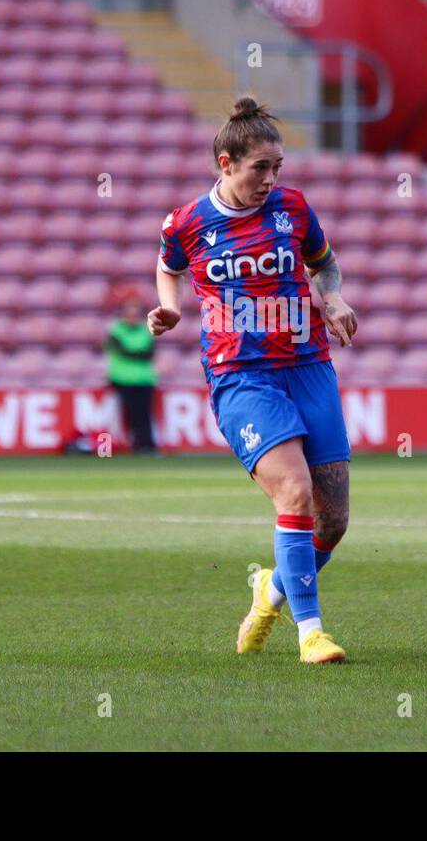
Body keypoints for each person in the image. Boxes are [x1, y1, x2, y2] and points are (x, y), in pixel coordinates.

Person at [147, 97, 359, 664]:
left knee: (332, 520)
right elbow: (169, 267)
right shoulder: (188, 222)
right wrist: (167, 308)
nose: (270, 179)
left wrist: (331, 296)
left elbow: (324, 261)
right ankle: (310, 633)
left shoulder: (292, 207)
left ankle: (270, 591)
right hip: (241, 375)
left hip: (309, 365)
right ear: (226, 164)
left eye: (277, 168)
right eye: (259, 168)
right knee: (293, 491)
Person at [105, 287, 158, 454]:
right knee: (132, 415)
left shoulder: (143, 331)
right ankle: (136, 445)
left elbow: (147, 353)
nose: (133, 317)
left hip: (143, 379)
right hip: (123, 379)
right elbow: (126, 352)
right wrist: (137, 353)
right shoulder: (116, 330)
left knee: (144, 414)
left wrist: (133, 353)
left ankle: (147, 445)